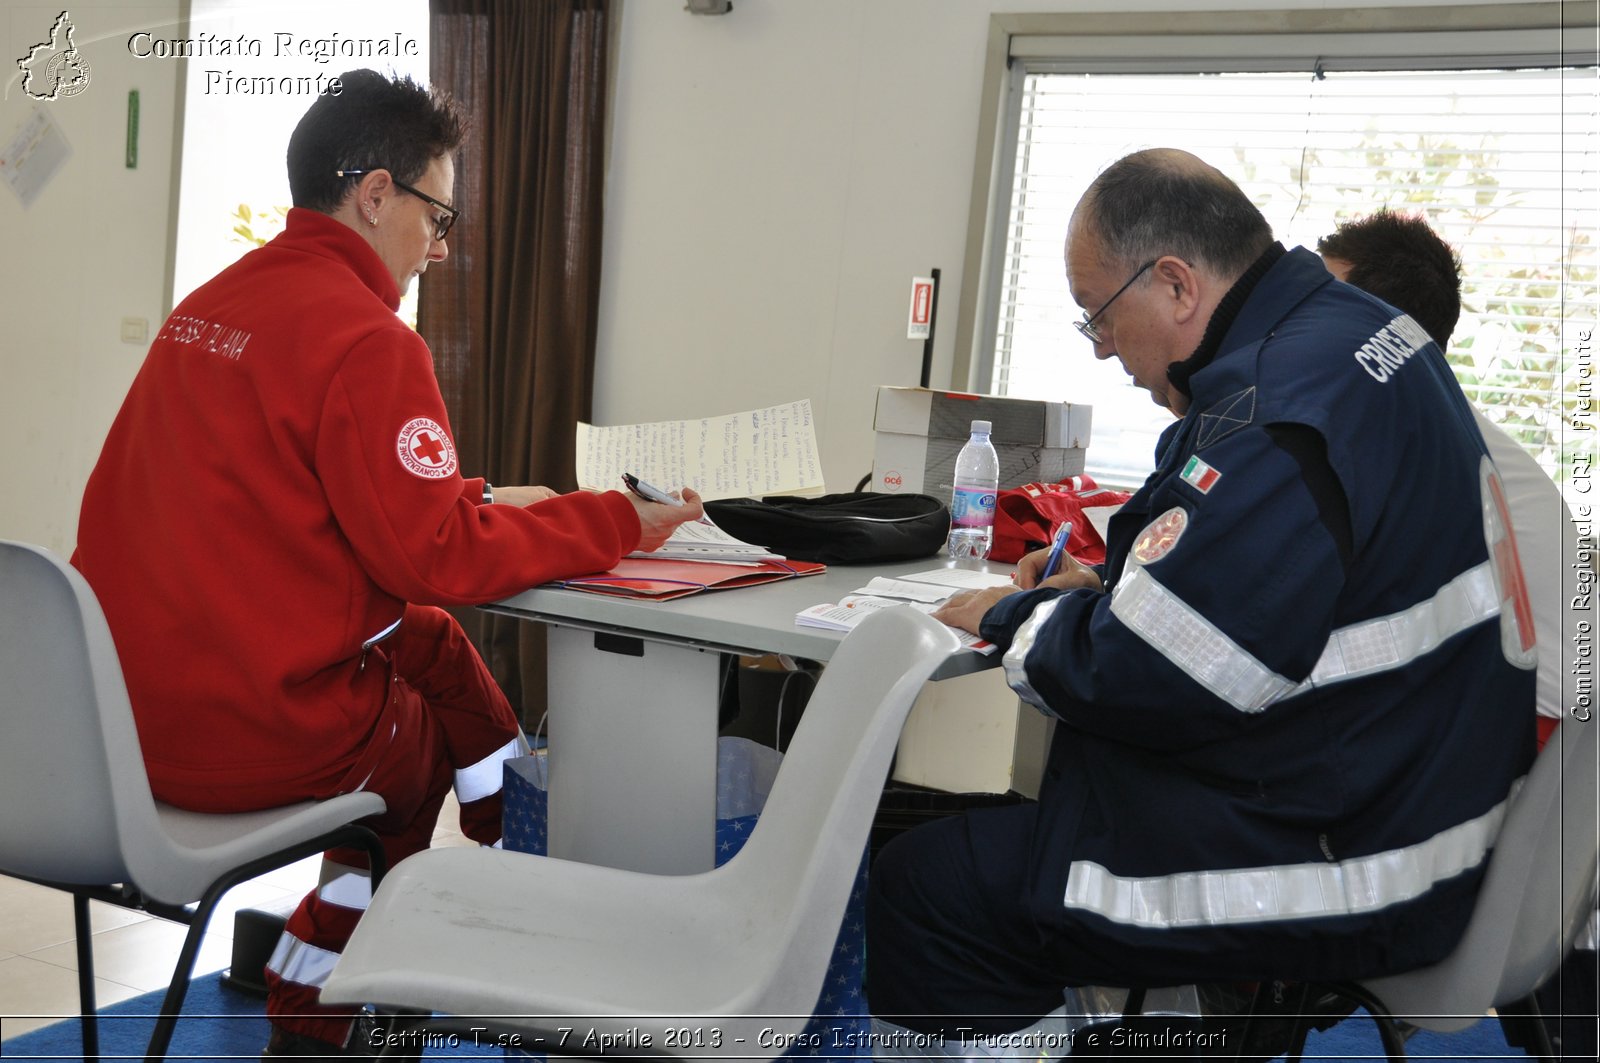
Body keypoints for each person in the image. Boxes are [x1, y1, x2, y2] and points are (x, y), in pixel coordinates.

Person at [71, 70, 703, 1057]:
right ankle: (323, 1001)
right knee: (411, 754)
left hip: (113, 723)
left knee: (434, 646)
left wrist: (484, 497)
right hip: (241, 733)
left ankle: (506, 817)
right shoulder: (369, 338)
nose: (440, 248)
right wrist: (615, 520)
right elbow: (438, 556)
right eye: (436, 216)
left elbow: (304, 495)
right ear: (375, 194)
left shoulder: (212, 304)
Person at [865, 149, 1537, 1052]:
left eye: (1099, 315)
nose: (1102, 347)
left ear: (1176, 283)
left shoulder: (1278, 409)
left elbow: (1139, 673)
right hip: (1418, 798)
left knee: (928, 883)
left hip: (1362, 859)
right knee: (1023, 820)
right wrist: (1112, 585)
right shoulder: (1356, 333)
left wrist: (1009, 617)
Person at [1317, 209, 1596, 1062]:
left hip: (1510, 783)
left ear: (1374, 333)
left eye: (1317, 305)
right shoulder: (1452, 428)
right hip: (1550, 790)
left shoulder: (1403, 440)